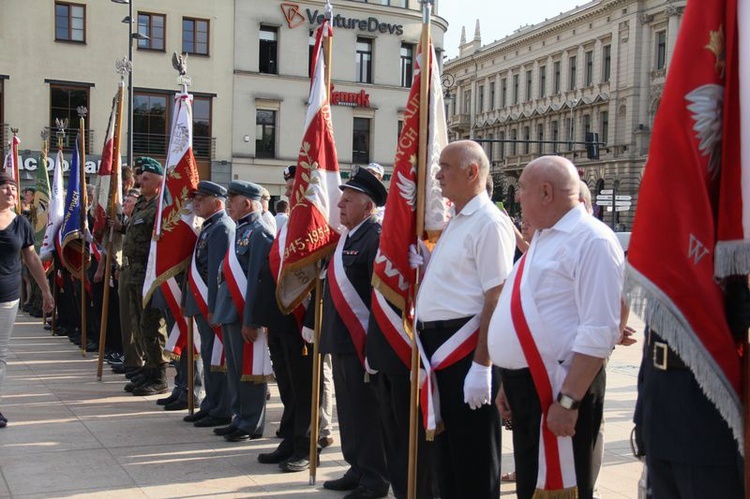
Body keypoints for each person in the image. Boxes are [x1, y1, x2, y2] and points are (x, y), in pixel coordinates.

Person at [490, 156, 624, 499]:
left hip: (561, 387)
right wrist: (509, 379)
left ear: (546, 192)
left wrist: (568, 401)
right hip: (529, 386)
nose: (517, 197)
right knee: (531, 486)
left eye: (522, 189)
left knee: (564, 485)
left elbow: (598, 331)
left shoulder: (592, 240)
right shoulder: (548, 236)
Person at [412, 140, 515, 499]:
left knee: (473, 461)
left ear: (472, 172)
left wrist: (482, 366)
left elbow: (496, 295)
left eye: (445, 166)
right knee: (447, 460)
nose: (437, 174)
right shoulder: (458, 219)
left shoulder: (488, 222)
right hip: (440, 349)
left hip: (465, 352)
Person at [313, 168, 390, 499]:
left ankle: (375, 478)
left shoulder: (374, 237)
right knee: (349, 411)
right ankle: (357, 467)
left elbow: (380, 299)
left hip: (362, 343)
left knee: (367, 413)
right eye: (342, 199)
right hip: (342, 338)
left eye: (349, 200)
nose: (340, 205)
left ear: (368, 206)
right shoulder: (348, 235)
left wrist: (375, 345)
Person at [211, 180, 272, 442]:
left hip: (243, 314)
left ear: (246, 203)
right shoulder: (241, 229)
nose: (228, 206)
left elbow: (259, 279)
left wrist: (252, 320)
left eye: (231, 201)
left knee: (250, 372)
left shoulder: (259, 231)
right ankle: (239, 417)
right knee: (236, 371)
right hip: (230, 310)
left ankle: (251, 423)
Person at [0, 172, 54, 428]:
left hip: (7, 298)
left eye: (13, 188)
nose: (11, 192)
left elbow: (31, 258)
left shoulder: (21, 223)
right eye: (5, 187)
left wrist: (45, 291)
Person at [115, 157, 169, 396]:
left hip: (149, 274)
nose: (140, 181)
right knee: (137, 323)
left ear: (159, 182)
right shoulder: (141, 204)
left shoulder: (160, 207)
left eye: (146, 178)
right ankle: (148, 368)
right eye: (139, 177)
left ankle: (159, 374)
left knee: (151, 324)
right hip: (133, 272)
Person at [181, 181, 234, 427]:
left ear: (217, 202)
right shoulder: (209, 226)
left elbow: (216, 273)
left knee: (216, 357)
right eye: (196, 199)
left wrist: (212, 306)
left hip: (211, 305)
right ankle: (211, 403)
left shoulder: (222, 228)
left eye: (201, 199)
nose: (196, 203)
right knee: (208, 354)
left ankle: (221, 408)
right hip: (203, 302)